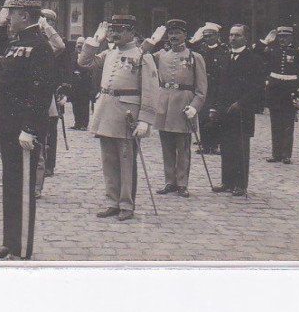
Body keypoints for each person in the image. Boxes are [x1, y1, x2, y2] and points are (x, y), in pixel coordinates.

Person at [0, 0, 56, 259]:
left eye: (12, 13)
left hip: (23, 130)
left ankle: (22, 248)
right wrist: (0, 20)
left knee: (24, 188)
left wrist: (30, 128)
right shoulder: (18, 43)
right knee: (11, 186)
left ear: (25, 16)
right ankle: (10, 242)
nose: (8, 17)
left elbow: (41, 91)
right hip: (8, 126)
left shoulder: (39, 46)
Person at [78, 15, 158, 221]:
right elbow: (84, 62)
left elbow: (150, 90)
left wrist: (145, 119)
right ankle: (112, 201)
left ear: (132, 32)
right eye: (112, 30)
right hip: (106, 110)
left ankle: (126, 204)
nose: (114, 33)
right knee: (108, 160)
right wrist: (95, 41)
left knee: (125, 161)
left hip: (127, 113)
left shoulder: (142, 55)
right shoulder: (109, 52)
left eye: (120, 30)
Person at [143, 19, 207, 198]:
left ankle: (182, 183)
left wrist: (194, 107)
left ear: (185, 35)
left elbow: (201, 89)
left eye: (177, 33)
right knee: (167, 146)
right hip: (164, 103)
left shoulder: (195, 57)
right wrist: (151, 42)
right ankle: (169, 181)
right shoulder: (160, 55)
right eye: (171, 34)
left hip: (183, 105)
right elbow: (141, 56)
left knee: (183, 147)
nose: (173, 37)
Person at [208, 24, 262, 196]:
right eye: (231, 35)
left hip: (242, 110)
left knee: (240, 148)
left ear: (245, 38)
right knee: (226, 147)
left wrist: (241, 103)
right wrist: (215, 106)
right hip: (224, 109)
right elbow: (217, 84)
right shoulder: (224, 57)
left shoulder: (254, 59)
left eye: (237, 35)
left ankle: (240, 184)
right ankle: (226, 181)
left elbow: (257, 87)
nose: (232, 38)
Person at [260, 25, 299, 164]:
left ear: (291, 37)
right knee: (275, 124)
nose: (282, 39)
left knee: (287, 124)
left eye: (285, 37)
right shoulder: (272, 51)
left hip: (290, 93)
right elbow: (259, 59)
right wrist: (265, 42)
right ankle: (276, 154)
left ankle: (286, 155)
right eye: (280, 37)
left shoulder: (298, 53)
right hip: (275, 92)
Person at [38, 8, 67, 188]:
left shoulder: (55, 42)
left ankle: (49, 165)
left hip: (52, 92)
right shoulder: (37, 41)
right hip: (38, 92)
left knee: (51, 132)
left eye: (48, 20)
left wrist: (63, 92)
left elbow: (65, 69)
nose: (45, 23)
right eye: (43, 19)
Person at [189, 22, 226, 154]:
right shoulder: (201, 49)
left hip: (217, 85)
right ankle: (205, 144)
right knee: (203, 114)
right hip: (203, 85)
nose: (208, 38)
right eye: (205, 36)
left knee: (216, 115)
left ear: (217, 36)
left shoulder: (223, 50)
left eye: (210, 36)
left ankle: (215, 144)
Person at [69, 36, 92, 130]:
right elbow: (70, 66)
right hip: (75, 84)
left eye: (81, 44)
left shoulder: (88, 56)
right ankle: (77, 123)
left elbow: (89, 68)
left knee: (84, 105)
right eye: (78, 43)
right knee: (75, 104)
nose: (79, 45)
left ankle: (84, 124)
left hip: (84, 84)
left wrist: (80, 72)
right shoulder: (73, 54)